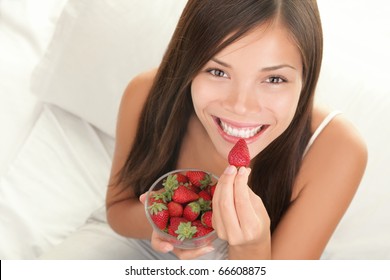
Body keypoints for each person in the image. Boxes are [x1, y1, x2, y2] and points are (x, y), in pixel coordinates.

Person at [40, 0, 367, 260]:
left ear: (306, 80)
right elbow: (118, 212)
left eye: (274, 79)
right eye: (217, 71)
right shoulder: (145, 94)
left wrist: (251, 247)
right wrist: (169, 221)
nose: (241, 106)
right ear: (190, 64)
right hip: (140, 242)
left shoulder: (337, 149)